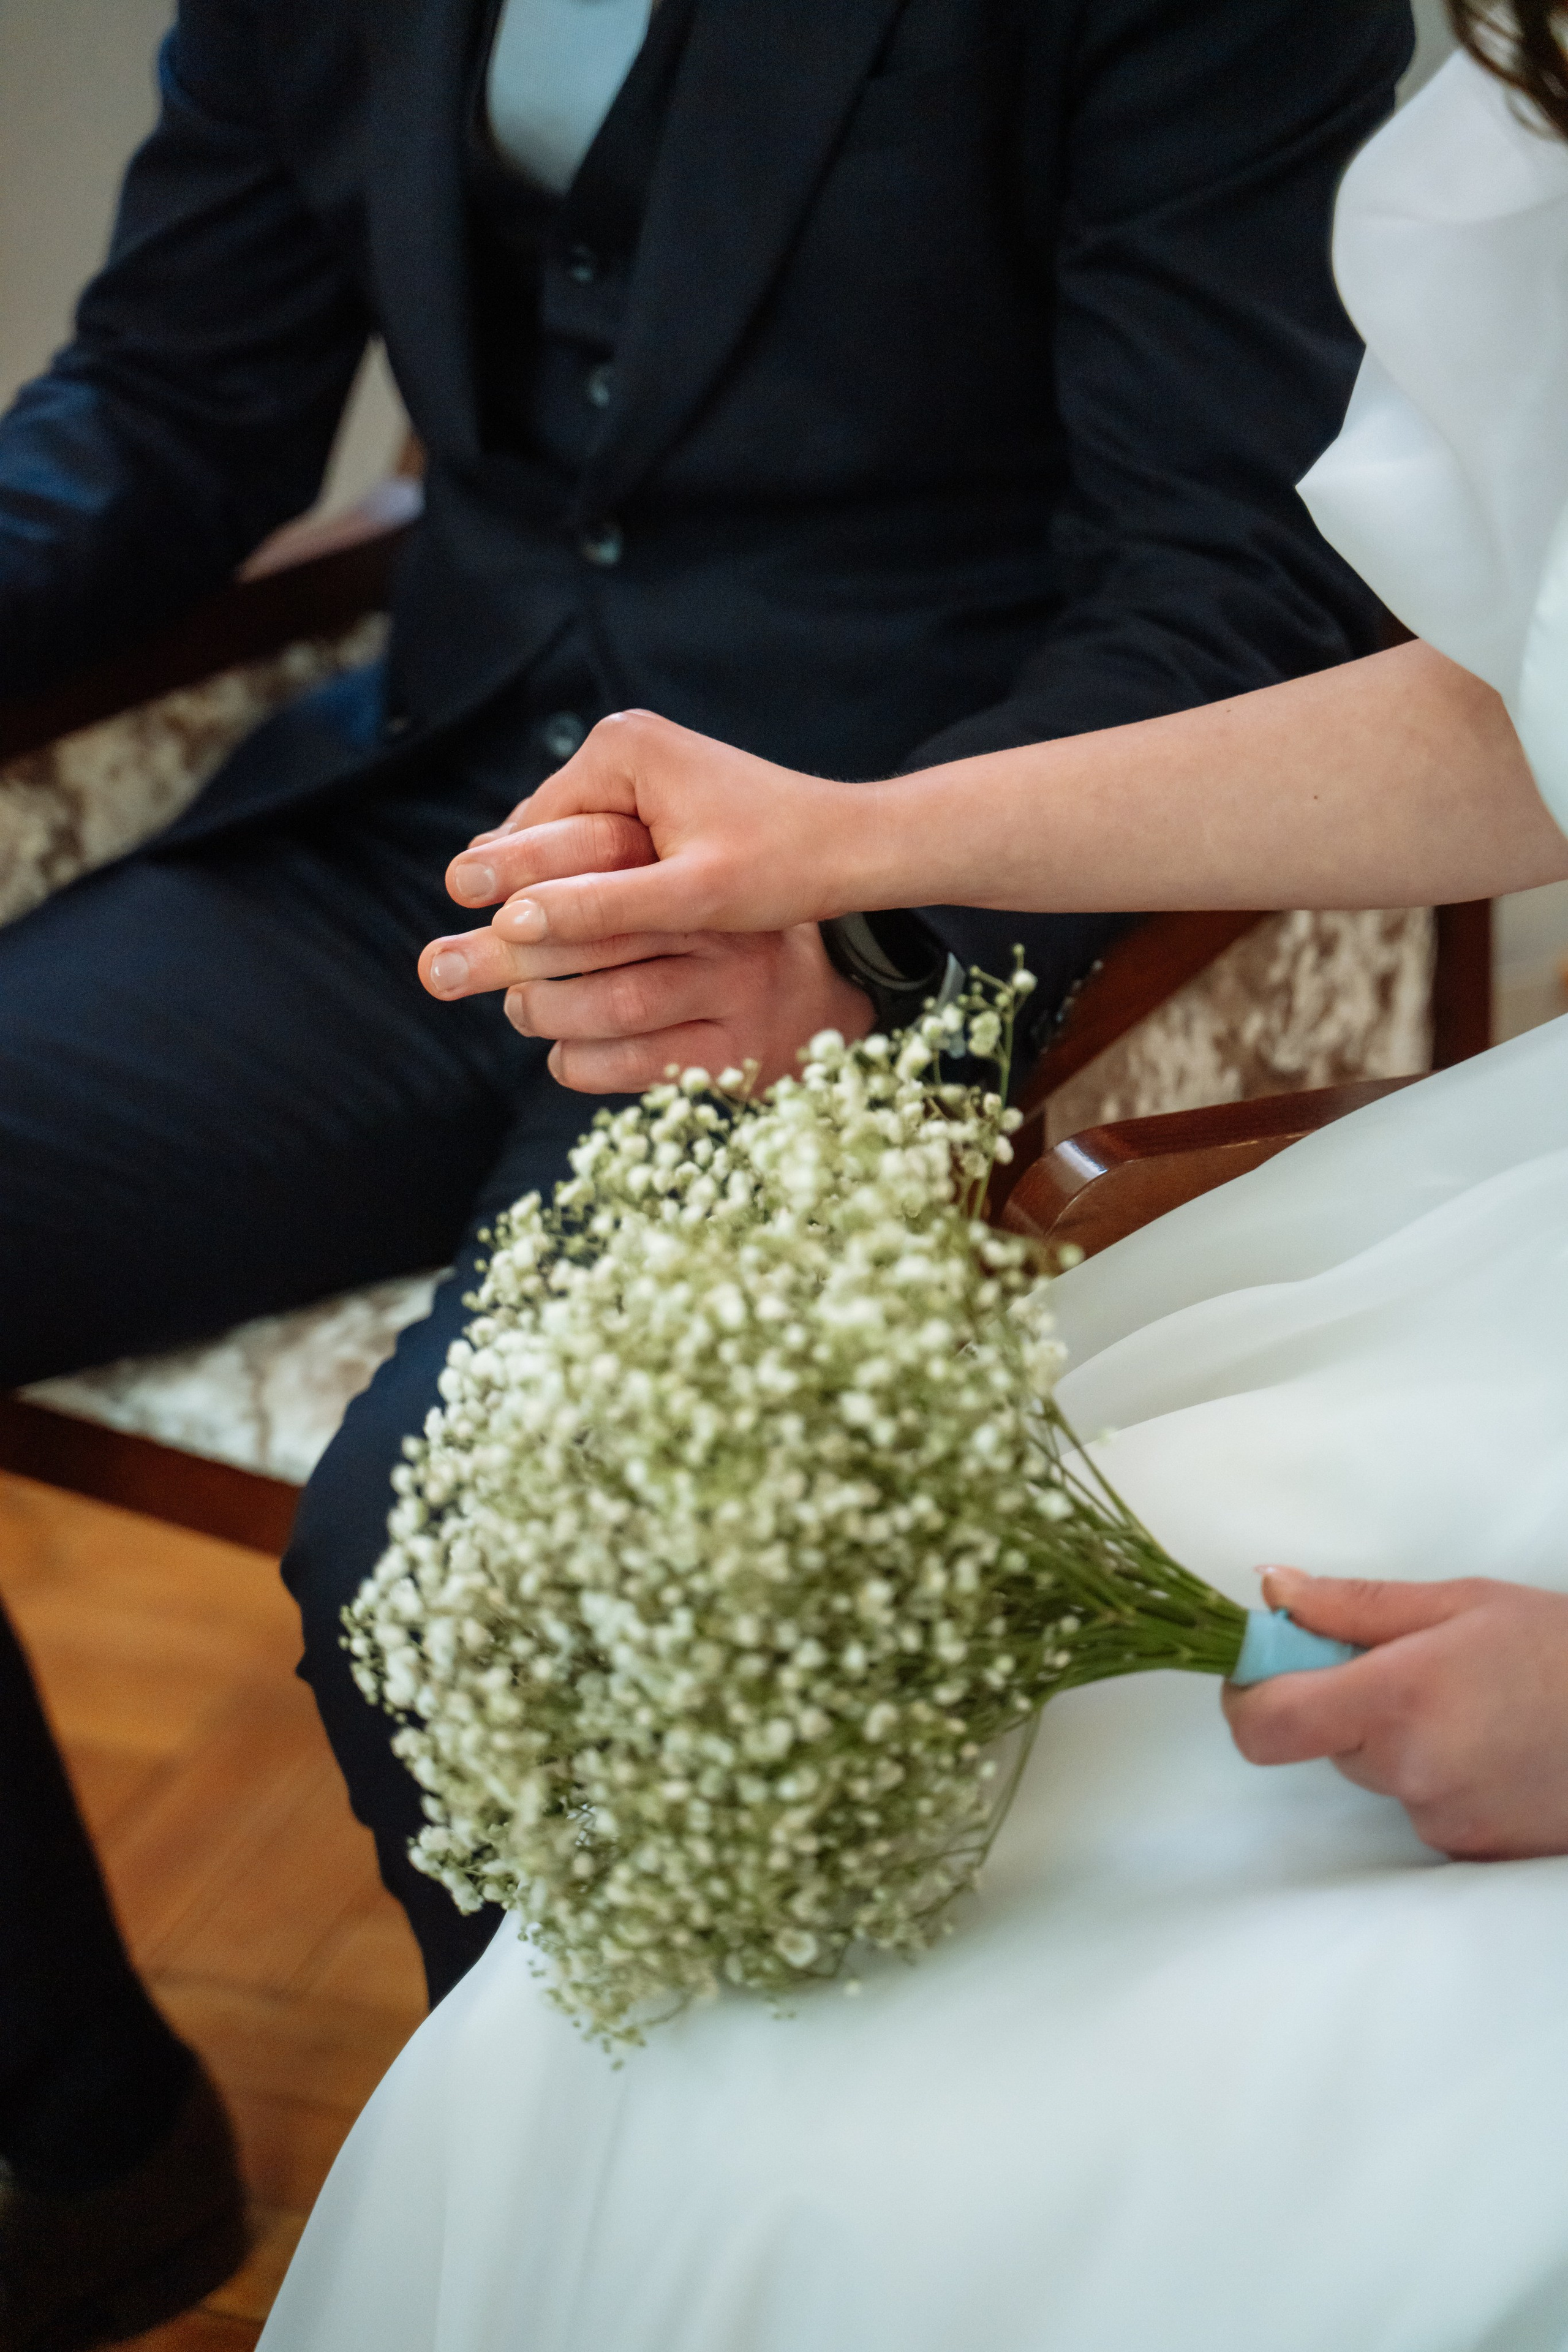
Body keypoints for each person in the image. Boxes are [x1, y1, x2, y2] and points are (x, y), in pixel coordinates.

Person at [0, 0, 1409, 2336]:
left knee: (465, 1557)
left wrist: (874, 912)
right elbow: (168, 401)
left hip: (883, 878)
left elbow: (1235, 580)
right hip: (436, 826)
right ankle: (86, 2137)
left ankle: (634, 2288)